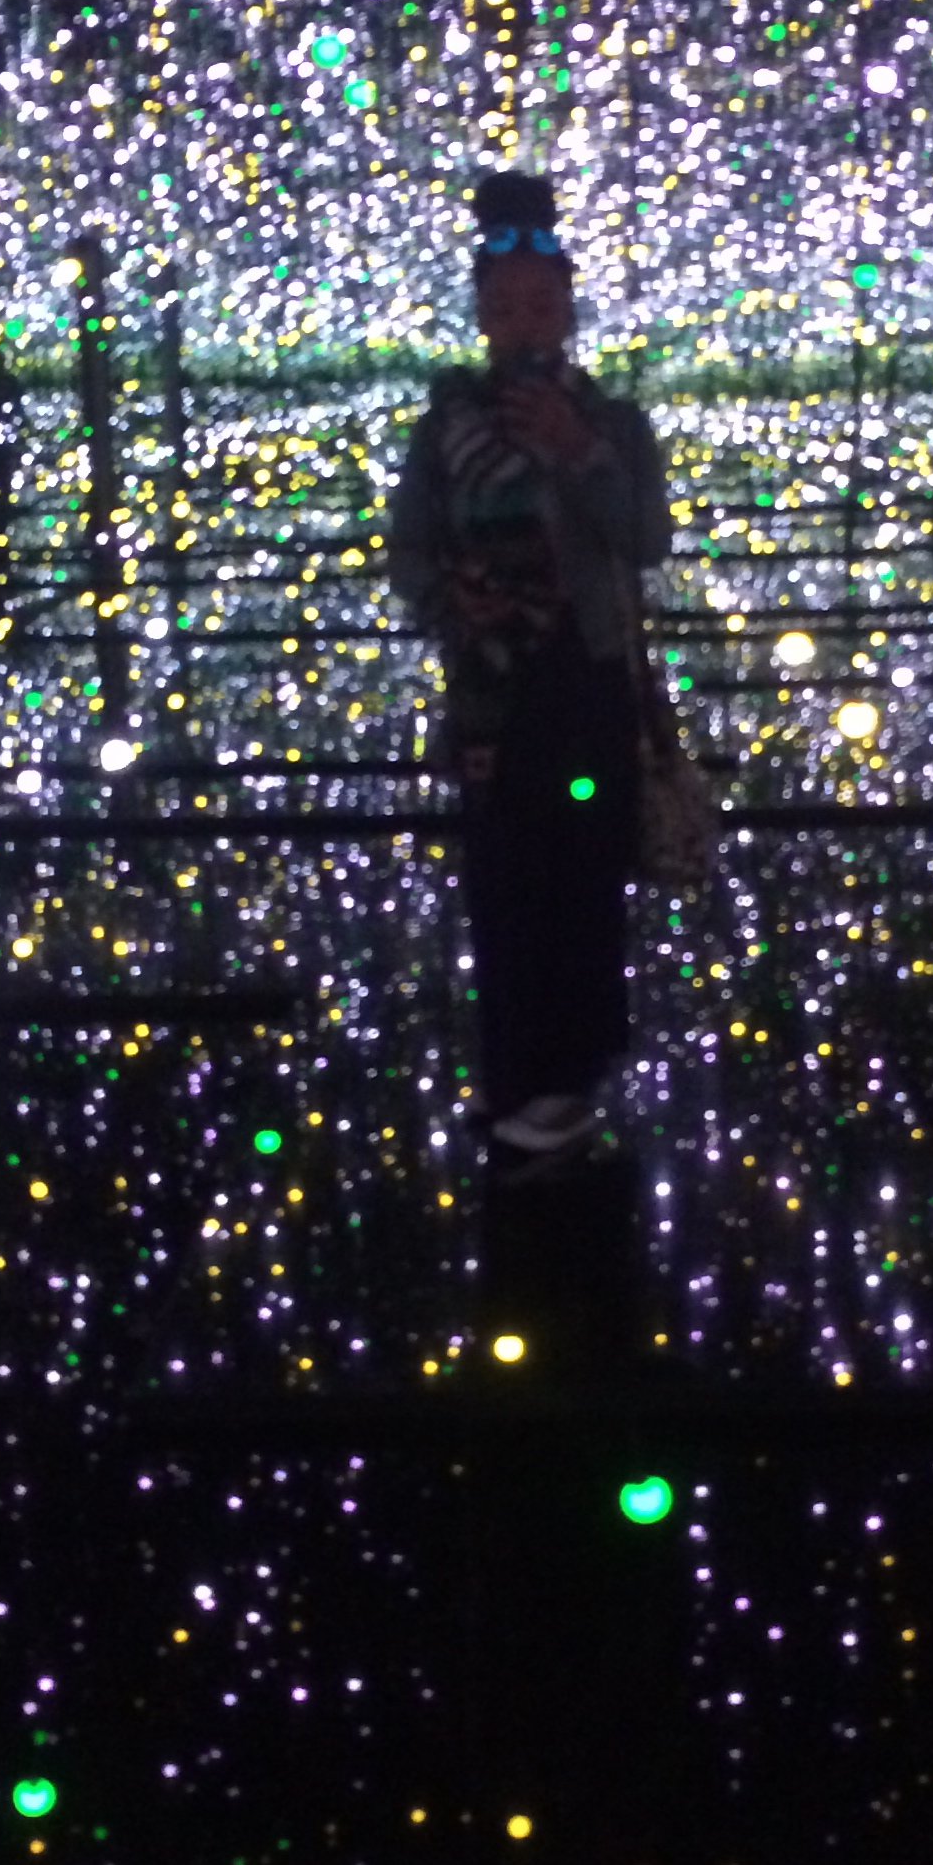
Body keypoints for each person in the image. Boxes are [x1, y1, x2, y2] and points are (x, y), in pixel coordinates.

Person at [386, 170, 672, 1157]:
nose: (522, 325)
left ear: (568, 312)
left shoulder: (615, 424)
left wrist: (579, 451)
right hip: (492, 694)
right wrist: (451, 600)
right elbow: (408, 553)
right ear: (480, 316)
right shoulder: (445, 429)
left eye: (540, 306)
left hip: (587, 683)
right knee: (504, 880)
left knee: (584, 877)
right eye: (504, 307)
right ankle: (517, 1076)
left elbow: (645, 540)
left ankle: (574, 1076)